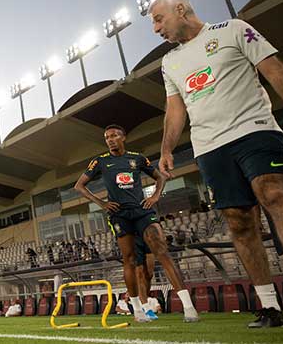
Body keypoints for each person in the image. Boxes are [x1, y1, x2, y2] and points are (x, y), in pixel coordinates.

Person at [150, 0, 283, 332]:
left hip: (254, 130)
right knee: (239, 221)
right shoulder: (170, 63)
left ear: (181, 9)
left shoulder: (233, 30)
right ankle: (270, 306)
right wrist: (167, 149)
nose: (155, 28)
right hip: (210, 147)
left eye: (158, 18)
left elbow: (273, 68)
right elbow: (175, 108)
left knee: (274, 193)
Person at [74, 124, 199, 323]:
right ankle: (138, 311)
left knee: (161, 250)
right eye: (107, 137)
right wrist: (102, 203)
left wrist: (156, 196)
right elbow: (79, 186)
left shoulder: (138, 158)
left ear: (123, 137)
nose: (110, 139)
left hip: (142, 210)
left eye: (114, 135)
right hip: (119, 214)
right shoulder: (100, 161)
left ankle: (189, 307)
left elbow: (160, 177)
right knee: (129, 259)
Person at [134, 236, 159, 320]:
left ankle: (144, 302)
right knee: (139, 274)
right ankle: (146, 308)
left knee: (149, 274)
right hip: (132, 236)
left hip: (146, 235)